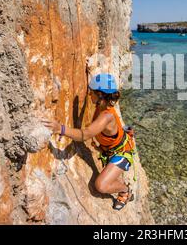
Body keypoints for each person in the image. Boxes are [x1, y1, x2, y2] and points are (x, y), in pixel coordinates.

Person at [42, 74, 136, 210]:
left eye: (91, 92)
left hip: (122, 153)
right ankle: (118, 180)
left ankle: (125, 190)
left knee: (101, 185)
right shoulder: (103, 105)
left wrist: (60, 128)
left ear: (100, 94)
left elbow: (84, 135)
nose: (89, 95)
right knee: (108, 177)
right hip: (112, 149)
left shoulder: (106, 116)